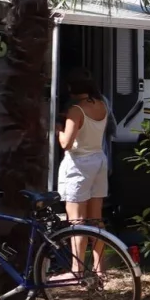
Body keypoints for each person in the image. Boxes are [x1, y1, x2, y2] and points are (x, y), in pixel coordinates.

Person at [56, 67, 110, 275]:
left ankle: (76, 270)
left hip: (79, 165)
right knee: (96, 219)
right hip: (98, 160)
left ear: (71, 88)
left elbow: (66, 144)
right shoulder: (101, 106)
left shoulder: (76, 111)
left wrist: (58, 129)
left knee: (77, 221)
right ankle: (99, 269)